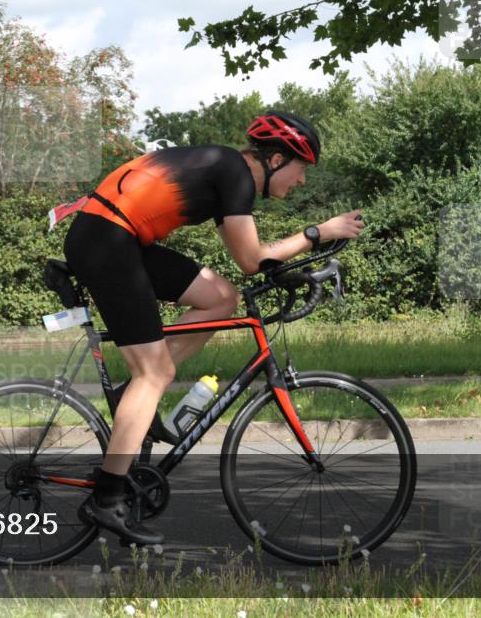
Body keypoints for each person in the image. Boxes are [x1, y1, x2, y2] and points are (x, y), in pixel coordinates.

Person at [62, 111, 365, 544]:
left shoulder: (225, 169)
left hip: (114, 236)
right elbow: (252, 260)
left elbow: (245, 269)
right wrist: (317, 233)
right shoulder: (235, 173)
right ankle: (106, 500)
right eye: (302, 171)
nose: (301, 182)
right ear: (277, 160)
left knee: (222, 299)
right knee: (154, 374)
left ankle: (137, 400)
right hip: (107, 240)